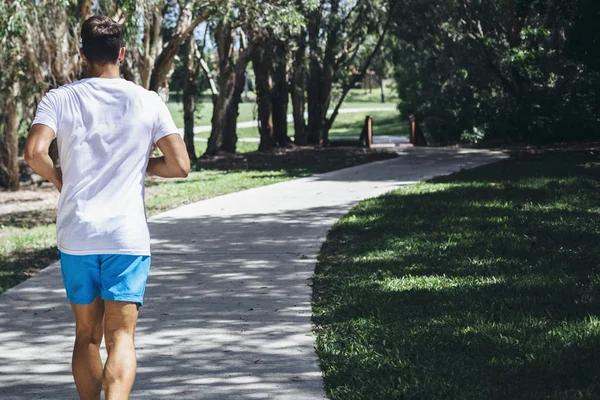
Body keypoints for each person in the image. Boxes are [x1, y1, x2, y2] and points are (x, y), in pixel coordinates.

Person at [24, 15, 190, 400]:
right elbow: (180, 165)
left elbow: (34, 153)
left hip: (78, 234)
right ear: (123, 52)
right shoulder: (148, 101)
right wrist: (140, 163)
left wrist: (61, 180)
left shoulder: (59, 98)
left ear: (82, 54)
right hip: (126, 237)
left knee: (86, 335)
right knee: (121, 336)